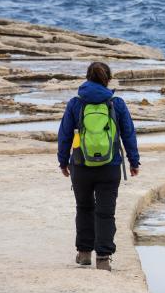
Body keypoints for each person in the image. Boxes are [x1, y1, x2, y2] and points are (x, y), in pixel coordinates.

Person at [57, 62, 140, 271]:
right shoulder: (117, 103)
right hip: (110, 166)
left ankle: (84, 253)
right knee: (106, 212)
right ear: (108, 79)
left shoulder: (75, 103)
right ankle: (103, 258)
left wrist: (63, 162)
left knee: (84, 207)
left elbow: (65, 135)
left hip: (81, 165)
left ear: (86, 78)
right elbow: (128, 133)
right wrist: (134, 161)